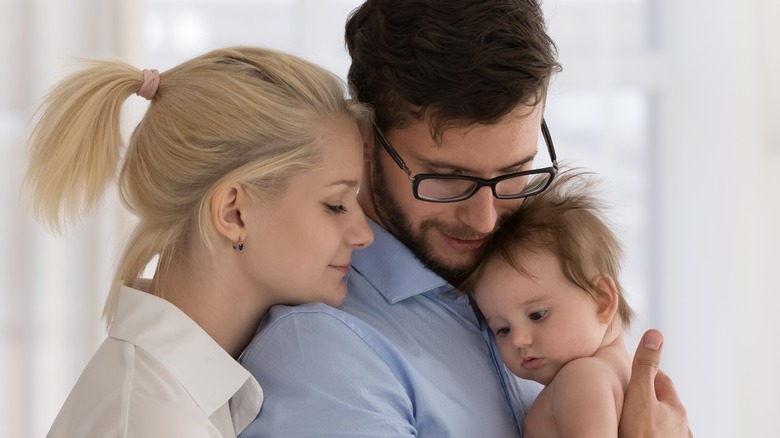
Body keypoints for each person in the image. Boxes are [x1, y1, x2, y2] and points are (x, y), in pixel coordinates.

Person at [239, 1, 691, 436]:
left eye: (514, 172)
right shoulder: (322, 351)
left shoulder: (539, 289)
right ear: (364, 140)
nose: (485, 219)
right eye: (448, 178)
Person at [23, 45, 374, 437]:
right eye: (335, 204)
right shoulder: (154, 422)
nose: (364, 234)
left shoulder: (185, 393)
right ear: (233, 213)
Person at [466, 170, 635, 437]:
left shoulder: (581, 378)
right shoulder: (630, 378)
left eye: (537, 315)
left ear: (602, 300)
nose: (519, 340)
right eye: (502, 329)